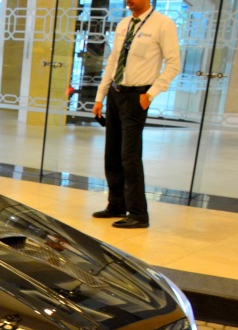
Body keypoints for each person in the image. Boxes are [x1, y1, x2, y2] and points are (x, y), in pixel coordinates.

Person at [92, 0, 180, 228]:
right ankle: (116, 205)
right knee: (112, 154)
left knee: (129, 156)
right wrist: (100, 97)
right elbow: (113, 62)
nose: (128, 0)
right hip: (115, 94)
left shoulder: (163, 24)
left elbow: (173, 64)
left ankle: (138, 213)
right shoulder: (124, 24)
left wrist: (150, 94)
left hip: (137, 96)